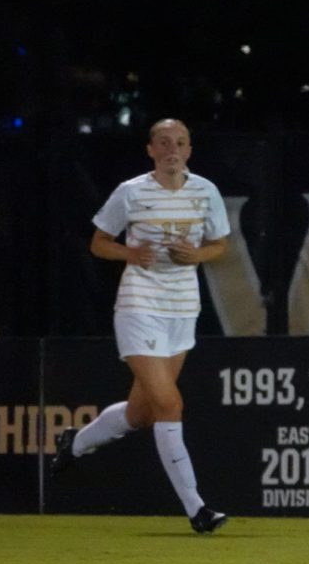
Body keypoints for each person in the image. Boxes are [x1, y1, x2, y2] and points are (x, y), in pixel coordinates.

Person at [50, 118, 231, 533]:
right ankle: (197, 509)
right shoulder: (131, 192)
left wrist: (197, 256)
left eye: (180, 143)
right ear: (151, 149)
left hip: (182, 309)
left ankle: (74, 443)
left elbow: (220, 244)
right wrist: (131, 253)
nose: (172, 149)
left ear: (189, 150)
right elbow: (97, 242)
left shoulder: (205, 191)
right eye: (164, 142)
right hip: (139, 306)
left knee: (141, 411)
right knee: (169, 404)